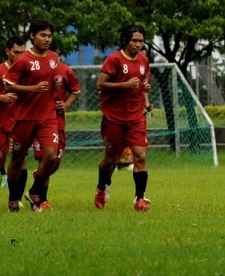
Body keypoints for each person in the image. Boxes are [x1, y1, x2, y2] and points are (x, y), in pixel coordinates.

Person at [94, 25, 152, 212]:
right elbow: (100, 85)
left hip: (136, 116)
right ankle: (102, 187)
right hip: (114, 117)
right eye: (134, 40)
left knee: (140, 156)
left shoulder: (144, 61)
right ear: (126, 40)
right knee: (111, 159)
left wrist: (145, 95)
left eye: (141, 41)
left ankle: (140, 198)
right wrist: (125, 84)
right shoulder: (114, 60)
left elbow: (143, 83)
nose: (137, 44)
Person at [4, 18, 59, 212]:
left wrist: (56, 87)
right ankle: (13, 198)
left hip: (47, 117)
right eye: (43, 35)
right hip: (24, 117)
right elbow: (8, 85)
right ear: (32, 36)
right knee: (18, 159)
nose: (47, 39)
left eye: (49, 36)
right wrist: (33, 88)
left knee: (51, 157)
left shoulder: (53, 57)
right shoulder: (23, 60)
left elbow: (49, 82)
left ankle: (35, 191)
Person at [32, 41, 81, 210]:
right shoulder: (35, 68)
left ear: (58, 52)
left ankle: (38, 180)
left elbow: (75, 90)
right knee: (46, 158)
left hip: (58, 122)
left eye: (53, 52)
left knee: (54, 162)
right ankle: (40, 200)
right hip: (38, 122)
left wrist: (66, 105)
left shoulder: (65, 70)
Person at [0, 36, 26, 190]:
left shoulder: (27, 71)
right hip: (1, 123)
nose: (19, 56)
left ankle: (16, 198)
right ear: (7, 52)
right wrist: (1, 97)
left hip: (22, 122)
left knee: (20, 159)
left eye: (22, 53)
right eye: (16, 52)